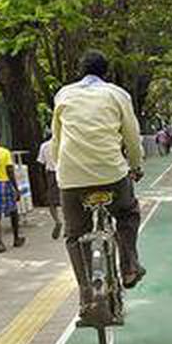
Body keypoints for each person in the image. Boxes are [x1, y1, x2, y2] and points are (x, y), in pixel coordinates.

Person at [51, 50, 146, 319]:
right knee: (127, 214)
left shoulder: (63, 95)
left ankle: (86, 297)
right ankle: (129, 266)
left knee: (74, 234)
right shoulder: (118, 94)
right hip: (111, 174)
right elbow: (131, 136)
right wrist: (136, 167)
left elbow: (57, 141)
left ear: (80, 70)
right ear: (106, 72)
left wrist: (61, 171)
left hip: (71, 178)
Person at [35, 133, 64, 240]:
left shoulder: (44, 146)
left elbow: (41, 163)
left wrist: (42, 183)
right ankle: (67, 224)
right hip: (63, 172)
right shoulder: (63, 143)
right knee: (65, 199)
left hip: (50, 174)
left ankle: (57, 221)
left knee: (52, 202)